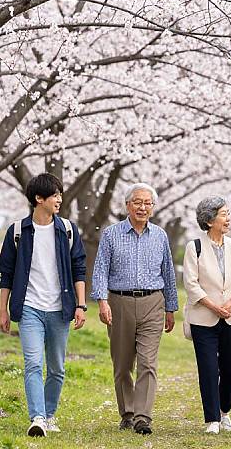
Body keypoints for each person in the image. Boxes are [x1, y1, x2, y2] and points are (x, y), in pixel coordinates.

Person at [0, 173, 87, 437]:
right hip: (29, 308)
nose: (60, 199)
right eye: (55, 194)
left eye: (60, 194)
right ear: (39, 198)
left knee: (57, 368)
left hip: (60, 309)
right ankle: (36, 418)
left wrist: (81, 305)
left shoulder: (67, 230)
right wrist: (3, 309)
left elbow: (79, 268)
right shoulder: (17, 232)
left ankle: (49, 414)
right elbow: (6, 273)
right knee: (34, 363)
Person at [91, 183, 178, 436]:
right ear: (127, 205)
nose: (142, 207)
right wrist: (103, 301)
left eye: (147, 203)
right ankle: (127, 413)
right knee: (122, 364)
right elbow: (100, 270)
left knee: (148, 363)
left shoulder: (160, 236)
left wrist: (170, 307)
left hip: (153, 303)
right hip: (119, 303)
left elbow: (168, 274)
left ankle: (142, 417)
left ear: (153, 207)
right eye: (137, 202)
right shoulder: (111, 234)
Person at [182, 196, 231, 434]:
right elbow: (190, 283)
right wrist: (213, 306)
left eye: (228, 213)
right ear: (209, 220)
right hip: (204, 317)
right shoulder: (195, 247)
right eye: (223, 214)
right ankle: (212, 418)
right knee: (209, 368)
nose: (228, 219)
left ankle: (224, 411)